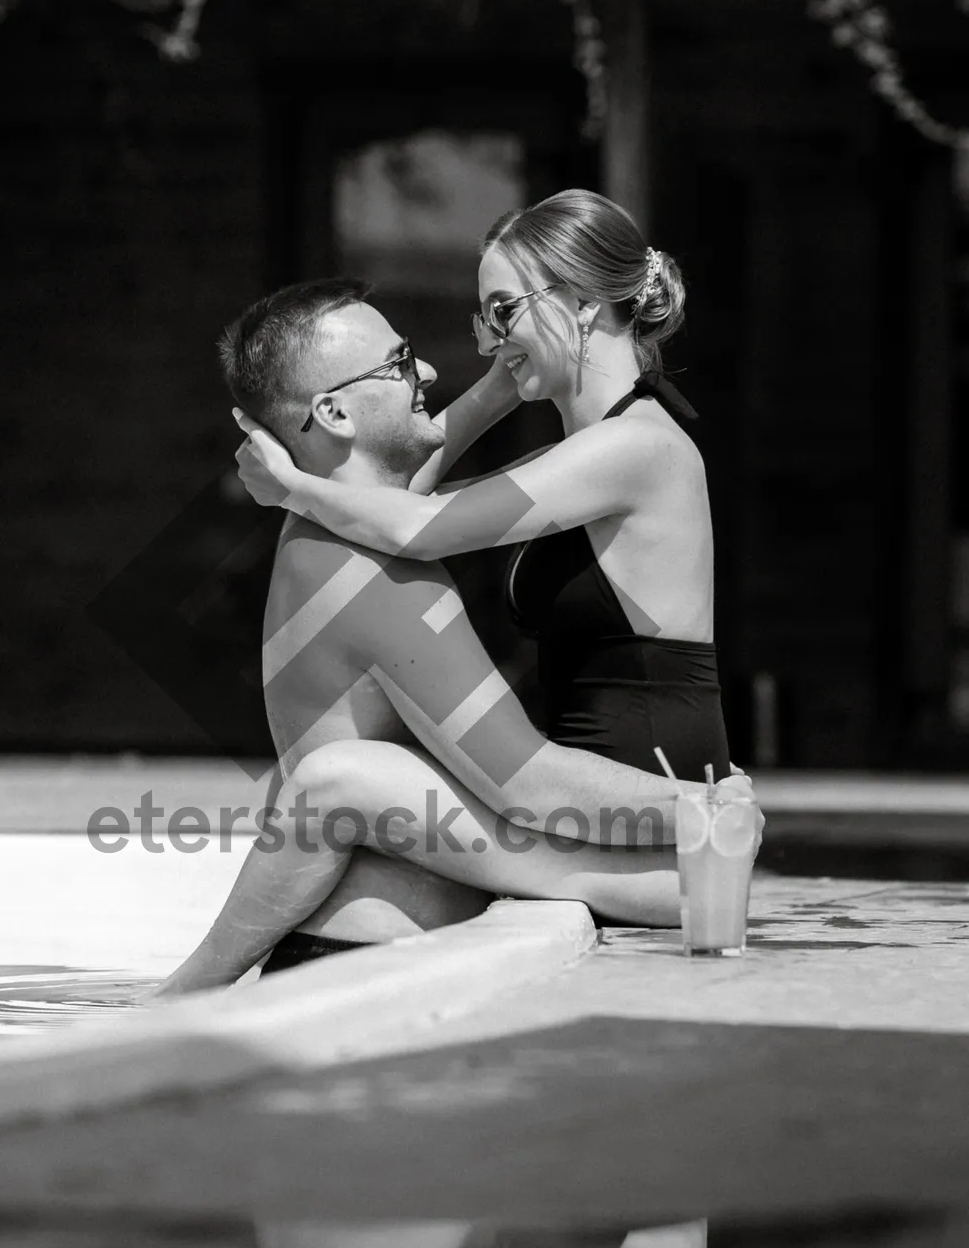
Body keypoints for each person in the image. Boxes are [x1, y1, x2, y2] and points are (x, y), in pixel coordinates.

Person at [157, 277, 753, 995]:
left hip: (343, 958)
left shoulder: (327, 531)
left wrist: (494, 394)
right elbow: (531, 785)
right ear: (335, 411)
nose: (430, 372)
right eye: (401, 363)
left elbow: (397, 502)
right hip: (362, 976)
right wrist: (707, 810)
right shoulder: (375, 575)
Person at [235, 188, 730, 787]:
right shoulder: (580, 458)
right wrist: (497, 387)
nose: (488, 342)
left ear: (581, 303)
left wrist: (290, 484)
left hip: (656, 795)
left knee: (353, 788)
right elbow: (403, 496)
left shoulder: (635, 449)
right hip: (608, 791)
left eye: (504, 312)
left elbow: (416, 529)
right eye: (484, 319)